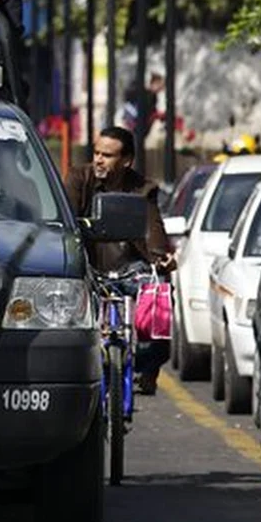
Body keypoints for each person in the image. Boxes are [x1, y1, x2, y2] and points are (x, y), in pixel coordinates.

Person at [64, 127, 176, 395]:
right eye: (96, 153)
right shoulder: (79, 178)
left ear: (126, 160)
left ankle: (148, 368)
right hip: (88, 267)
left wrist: (162, 257)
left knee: (159, 291)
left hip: (129, 268)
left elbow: (153, 229)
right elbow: (66, 222)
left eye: (108, 155)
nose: (99, 160)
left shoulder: (143, 188)